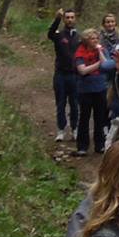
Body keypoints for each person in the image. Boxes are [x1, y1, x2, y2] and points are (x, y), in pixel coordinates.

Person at [74, 28, 111, 155]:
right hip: (85, 89)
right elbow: (82, 70)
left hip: (100, 88)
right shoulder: (80, 52)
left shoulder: (101, 50)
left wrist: (100, 52)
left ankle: (99, 145)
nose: (95, 41)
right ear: (86, 40)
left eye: (96, 38)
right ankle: (82, 146)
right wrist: (97, 65)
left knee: (99, 117)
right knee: (84, 117)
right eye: (92, 38)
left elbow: (106, 65)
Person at [49, 9, 82, 142]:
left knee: (74, 104)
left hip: (75, 75)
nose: (69, 20)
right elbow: (50, 33)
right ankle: (61, 129)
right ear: (64, 20)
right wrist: (57, 19)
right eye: (67, 17)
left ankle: (74, 129)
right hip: (61, 74)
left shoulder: (80, 37)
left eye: (72, 17)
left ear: (75, 19)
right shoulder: (59, 35)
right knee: (60, 102)